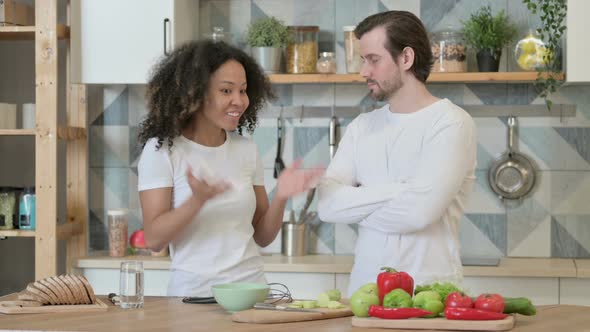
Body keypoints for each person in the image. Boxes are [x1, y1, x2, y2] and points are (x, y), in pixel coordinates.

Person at [137, 40, 323, 297]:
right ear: (195, 93)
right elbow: (154, 239)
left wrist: (281, 194)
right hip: (193, 298)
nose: (239, 101)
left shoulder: (246, 149)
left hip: (253, 293)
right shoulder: (163, 151)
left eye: (243, 90)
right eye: (226, 91)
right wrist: (196, 201)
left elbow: (263, 236)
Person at [317, 11, 477, 296]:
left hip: (431, 295)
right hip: (364, 295)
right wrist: (400, 191)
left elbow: (418, 214)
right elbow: (327, 205)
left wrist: (355, 204)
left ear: (406, 58)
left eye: (373, 60)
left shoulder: (451, 123)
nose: (364, 71)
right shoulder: (362, 127)